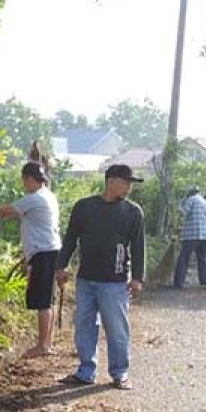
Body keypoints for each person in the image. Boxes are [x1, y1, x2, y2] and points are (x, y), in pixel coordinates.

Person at [55, 164, 145, 390]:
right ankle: (86, 371)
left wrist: (137, 278)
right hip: (86, 278)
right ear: (111, 181)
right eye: (126, 183)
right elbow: (70, 239)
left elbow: (139, 246)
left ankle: (120, 372)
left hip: (115, 281)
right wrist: (61, 265)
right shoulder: (84, 207)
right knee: (84, 325)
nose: (128, 188)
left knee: (116, 329)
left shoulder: (133, 212)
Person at [0, 160, 61, 358]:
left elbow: (5, 211)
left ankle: (43, 345)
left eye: (24, 180)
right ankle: (47, 342)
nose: (24, 184)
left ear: (29, 179)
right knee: (48, 299)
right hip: (49, 251)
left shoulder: (34, 198)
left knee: (42, 302)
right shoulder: (49, 196)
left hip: (43, 253)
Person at [175, 186, 206, 289]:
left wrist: (180, 204)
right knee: (203, 258)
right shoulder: (205, 202)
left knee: (184, 258)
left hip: (192, 234)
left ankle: (178, 283)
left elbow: (183, 212)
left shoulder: (191, 200)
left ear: (190, 193)